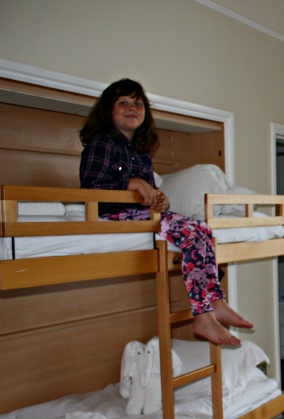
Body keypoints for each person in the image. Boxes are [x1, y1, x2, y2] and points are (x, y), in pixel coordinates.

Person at [79, 78, 251, 347]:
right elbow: (90, 188)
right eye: (123, 103)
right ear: (107, 111)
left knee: (201, 229)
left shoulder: (141, 153)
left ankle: (215, 301)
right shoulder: (101, 143)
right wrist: (131, 184)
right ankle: (203, 315)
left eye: (138, 104)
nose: (132, 108)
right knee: (191, 234)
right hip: (111, 216)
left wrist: (160, 200)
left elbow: (149, 194)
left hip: (141, 216)